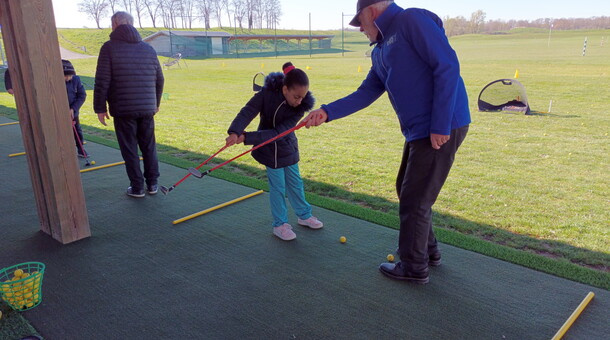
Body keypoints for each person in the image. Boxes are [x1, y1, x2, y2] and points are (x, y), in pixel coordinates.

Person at [302, 0, 471, 284]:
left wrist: (441, 123)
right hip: (420, 130)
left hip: (442, 125)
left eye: (360, 22)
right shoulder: (380, 52)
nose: (360, 30)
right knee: (407, 189)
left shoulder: (411, 21)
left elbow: (447, 65)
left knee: (415, 198)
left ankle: (414, 266)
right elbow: (365, 93)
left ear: (372, 11)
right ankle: (427, 251)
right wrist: (327, 112)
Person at [226, 62, 323, 241]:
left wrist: (247, 138)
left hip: (287, 146)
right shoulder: (267, 94)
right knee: (278, 187)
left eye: (303, 97)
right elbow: (248, 111)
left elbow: (279, 133)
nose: (300, 101)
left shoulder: (301, 107)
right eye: (296, 96)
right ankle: (280, 225)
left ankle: (304, 215)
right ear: (285, 88)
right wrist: (235, 131)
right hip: (269, 150)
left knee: (295, 183)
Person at [94, 11, 164, 198]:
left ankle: (137, 187)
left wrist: (100, 108)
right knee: (149, 146)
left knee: (130, 148)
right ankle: (153, 184)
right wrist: (155, 103)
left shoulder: (109, 48)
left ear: (114, 25)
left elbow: (102, 80)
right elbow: (160, 79)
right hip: (147, 108)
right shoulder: (148, 49)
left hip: (123, 110)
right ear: (132, 24)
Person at [62, 59, 88, 157]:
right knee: (62, 131)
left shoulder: (76, 80)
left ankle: (81, 150)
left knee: (77, 130)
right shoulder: (56, 82)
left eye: (70, 75)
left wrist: (73, 108)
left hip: (73, 111)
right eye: (66, 76)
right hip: (59, 112)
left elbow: (82, 96)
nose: (68, 78)